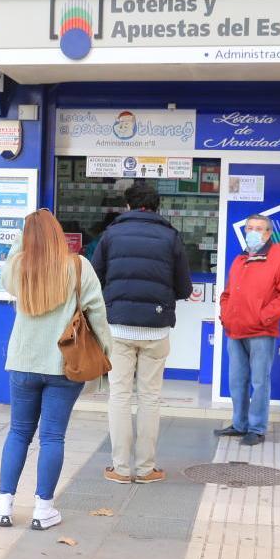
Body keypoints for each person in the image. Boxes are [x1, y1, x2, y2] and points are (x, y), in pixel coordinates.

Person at [0, 209, 111, 530]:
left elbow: (7, 271)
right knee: (52, 437)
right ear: (59, 234)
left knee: (18, 432)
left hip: (22, 363)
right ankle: (43, 509)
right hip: (63, 364)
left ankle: (4, 505)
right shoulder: (78, 266)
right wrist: (105, 352)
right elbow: (97, 313)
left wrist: (23, 236)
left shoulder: (18, 268)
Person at [92, 183, 192, 484]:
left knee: (120, 396)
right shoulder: (170, 236)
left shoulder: (111, 235)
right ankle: (147, 469)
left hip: (119, 327)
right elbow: (185, 287)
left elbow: (95, 277)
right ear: (157, 206)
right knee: (150, 397)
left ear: (128, 206)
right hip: (156, 329)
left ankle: (121, 469)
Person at [214, 214, 280, 445]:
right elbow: (227, 293)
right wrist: (226, 314)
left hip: (261, 331)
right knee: (237, 380)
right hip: (235, 329)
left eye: (259, 228)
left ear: (268, 233)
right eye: (250, 228)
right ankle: (239, 424)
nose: (253, 232)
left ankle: (257, 428)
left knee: (260, 381)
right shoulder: (240, 259)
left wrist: (263, 317)